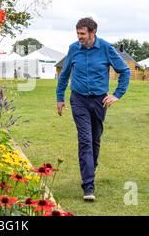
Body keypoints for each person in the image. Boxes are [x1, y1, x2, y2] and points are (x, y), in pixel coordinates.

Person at [56, 17, 130, 202]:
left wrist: (117, 94)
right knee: (85, 140)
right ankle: (88, 185)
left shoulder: (106, 48)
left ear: (93, 32)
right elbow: (64, 75)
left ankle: (91, 167)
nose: (79, 37)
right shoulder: (74, 49)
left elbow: (124, 71)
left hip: (99, 101)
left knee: (95, 139)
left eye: (82, 33)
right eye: (78, 33)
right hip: (78, 99)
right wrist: (60, 97)